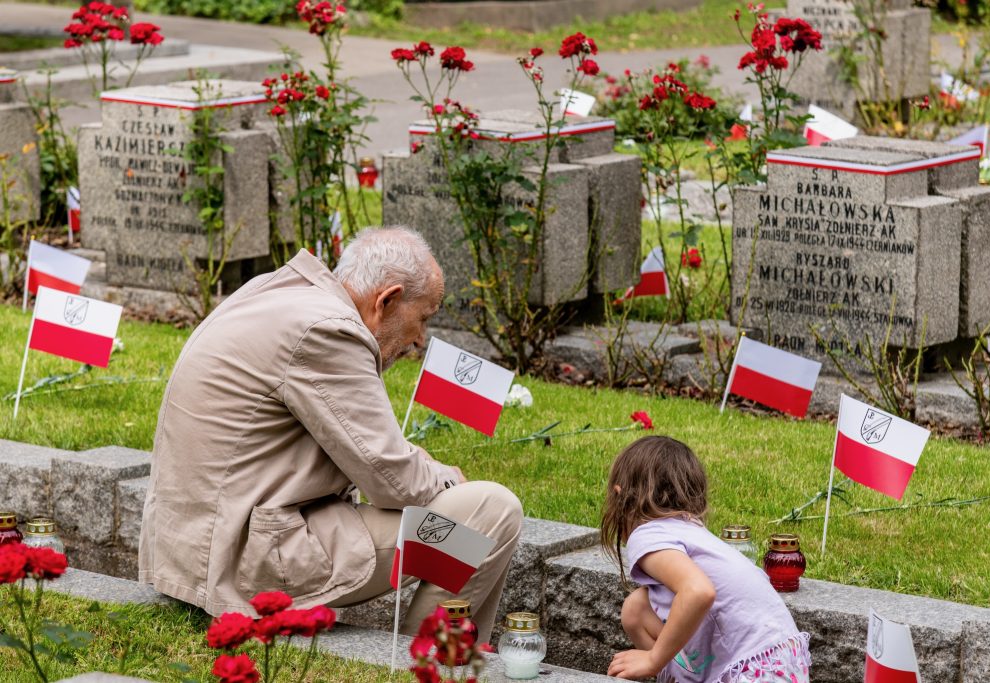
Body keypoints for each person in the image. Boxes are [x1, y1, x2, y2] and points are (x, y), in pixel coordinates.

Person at [138, 226, 523, 641]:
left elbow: (351, 438)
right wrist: (447, 476)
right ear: (388, 299)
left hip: (192, 546)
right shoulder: (328, 331)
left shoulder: (275, 291)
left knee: (467, 510)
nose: (419, 341)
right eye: (423, 318)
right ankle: (426, 661)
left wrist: (414, 459)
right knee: (491, 513)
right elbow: (397, 483)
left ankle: (461, 657)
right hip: (243, 560)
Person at [600, 436, 810, 682]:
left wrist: (652, 659)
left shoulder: (648, 533)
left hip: (754, 673)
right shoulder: (692, 531)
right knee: (636, 608)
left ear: (620, 497)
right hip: (781, 662)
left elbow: (698, 591)